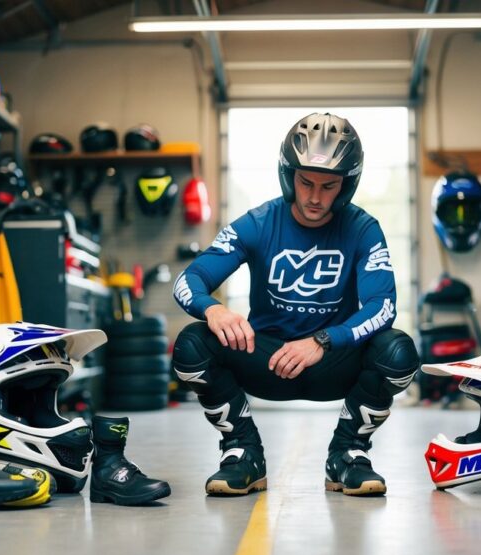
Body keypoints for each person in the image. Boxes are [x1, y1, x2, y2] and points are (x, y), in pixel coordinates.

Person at [172, 112, 419, 497]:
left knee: (399, 352)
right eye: (305, 183)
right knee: (191, 345)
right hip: (267, 358)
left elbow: (382, 306)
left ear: (347, 185)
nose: (315, 197)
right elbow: (189, 280)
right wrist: (213, 309)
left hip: (332, 360)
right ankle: (243, 453)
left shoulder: (363, 228)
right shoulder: (257, 222)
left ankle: (348, 454)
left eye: (329, 185)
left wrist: (323, 340)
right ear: (289, 176)